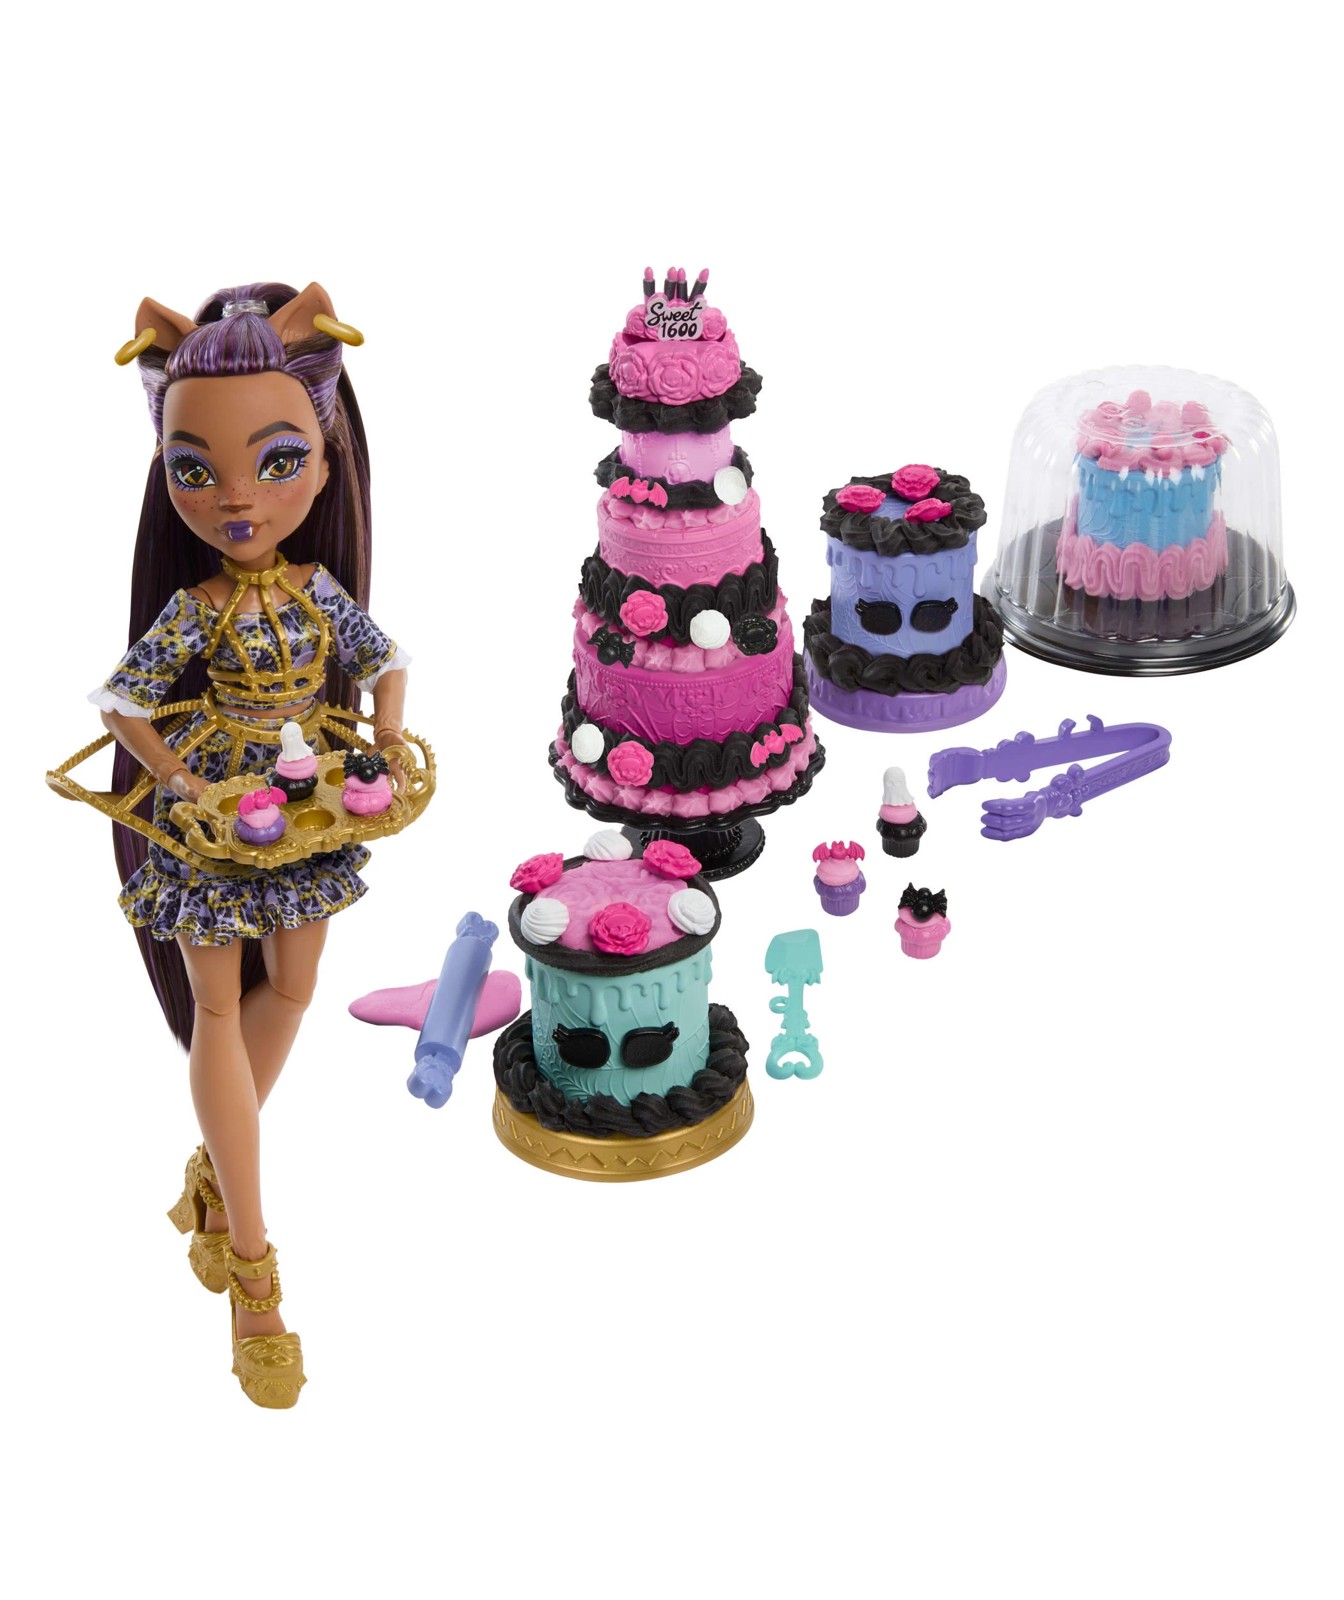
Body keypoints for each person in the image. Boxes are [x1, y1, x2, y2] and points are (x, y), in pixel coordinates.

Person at [91, 282, 410, 1407]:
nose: (236, 497)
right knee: (220, 1007)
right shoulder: (197, 607)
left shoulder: (320, 590)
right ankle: (253, 1267)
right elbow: (123, 700)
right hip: (215, 803)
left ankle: (211, 1174)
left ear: (324, 462)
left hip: (304, 790)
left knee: (297, 987)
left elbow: (384, 656)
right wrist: (180, 780)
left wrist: (387, 735)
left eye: (276, 463)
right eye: (196, 470)